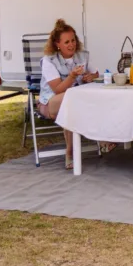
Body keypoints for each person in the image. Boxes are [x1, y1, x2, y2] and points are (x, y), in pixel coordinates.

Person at [38, 19, 103, 168]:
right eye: (66, 42)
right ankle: (96, 144)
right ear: (57, 44)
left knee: (73, 104)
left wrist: (91, 77)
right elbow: (58, 89)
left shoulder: (83, 55)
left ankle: (71, 154)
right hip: (50, 103)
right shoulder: (49, 61)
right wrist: (72, 76)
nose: (71, 44)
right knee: (70, 100)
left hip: (74, 100)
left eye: (73, 40)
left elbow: (96, 73)